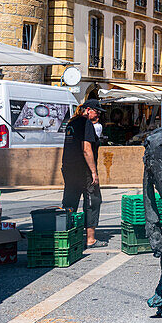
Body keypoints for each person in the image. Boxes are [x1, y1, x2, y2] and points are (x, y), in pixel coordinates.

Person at [62, 101, 106, 248]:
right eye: (97, 111)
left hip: (69, 168)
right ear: (88, 110)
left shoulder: (71, 123)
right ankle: (90, 239)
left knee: (70, 201)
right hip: (83, 169)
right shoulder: (86, 123)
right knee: (93, 200)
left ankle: (67, 235)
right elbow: (86, 149)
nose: (99, 114)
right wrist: (94, 172)